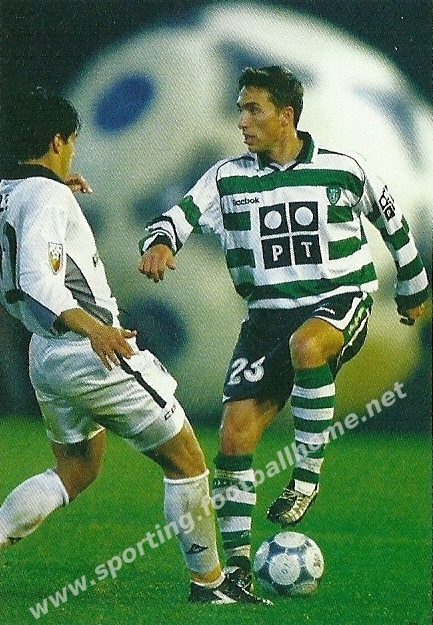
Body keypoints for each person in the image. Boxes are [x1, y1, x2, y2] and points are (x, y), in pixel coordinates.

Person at [138, 66, 430, 589]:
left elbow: (394, 224)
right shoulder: (227, 177)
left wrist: (414, 287)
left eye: (254, 110)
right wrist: (160, 243)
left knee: (308, 345)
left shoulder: (343, 170)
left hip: (339, 299)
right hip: (266, 321)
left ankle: (306, 477)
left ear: (286, 116)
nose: (242, 122)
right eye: (240, 110)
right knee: (234, 436)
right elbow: (175, 217)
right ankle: (237, 573)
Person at [0, 87, 272, 606]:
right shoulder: (46, 197)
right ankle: (211, 586)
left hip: (45, 354)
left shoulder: (13, 193)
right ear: (57, 142)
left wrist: (55, 192)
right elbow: (38, 278)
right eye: (72, 142)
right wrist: (95, 330)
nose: (72, 152)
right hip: (91, 351)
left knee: (76, 470)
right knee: (187, 461)